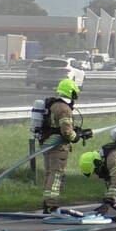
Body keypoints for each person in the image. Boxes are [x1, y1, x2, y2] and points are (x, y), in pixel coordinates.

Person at [36, 78, 91, 213]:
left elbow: (57, 125)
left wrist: (78, 131)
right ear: (71, 92)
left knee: (50, 173)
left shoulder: (54, 104)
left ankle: (47, 203)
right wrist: (76, 137)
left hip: (47, 143)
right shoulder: (64, 108)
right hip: (57, 146)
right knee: (56, 174)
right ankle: (51, 205)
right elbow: (66, 131)